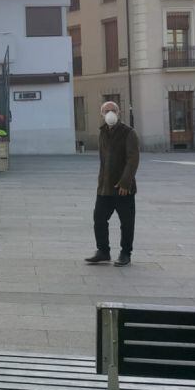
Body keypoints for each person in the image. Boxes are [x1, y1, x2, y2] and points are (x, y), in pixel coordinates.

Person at [85, 101, 140, 267]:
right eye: (106, 111)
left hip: (123, 188)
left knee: (127, 222)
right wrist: (101, 182)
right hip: (105, 187)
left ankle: (125, 253)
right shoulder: (103, 132)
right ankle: (103, 251)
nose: (110, 113)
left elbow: (133, 159)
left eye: (113, 110)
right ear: (101, 114)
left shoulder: (128, 132)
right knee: (99, 219)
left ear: (119, 112)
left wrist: (125, 182)